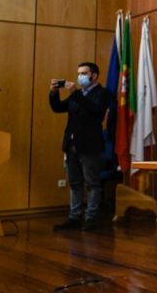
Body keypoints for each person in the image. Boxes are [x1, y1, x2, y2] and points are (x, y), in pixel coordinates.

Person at [49, 62, 115, 231]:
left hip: (90, 145)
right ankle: (74, 217)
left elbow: (94, 110)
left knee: (92, 182)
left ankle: (91, 218)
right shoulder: (77, 95)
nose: (80, 77)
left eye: (84, 73)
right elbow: (58, 108)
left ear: (94, 76)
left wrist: (76, 93)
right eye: (79, 73)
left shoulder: (103, 93)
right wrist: (53, 93)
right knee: (75, 183)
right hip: (71, 144)